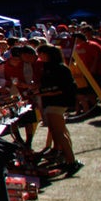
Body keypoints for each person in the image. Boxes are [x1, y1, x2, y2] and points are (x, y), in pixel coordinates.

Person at [36, 44, 81, 177]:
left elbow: (61, 88)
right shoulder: (50, 67)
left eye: (41, 54)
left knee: (60, 133)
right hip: (53, 103)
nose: (39, 56)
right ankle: (68, 158)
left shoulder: (59, 68)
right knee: (59, 132)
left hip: (58, 102)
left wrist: (41, 92)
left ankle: (71, 161)